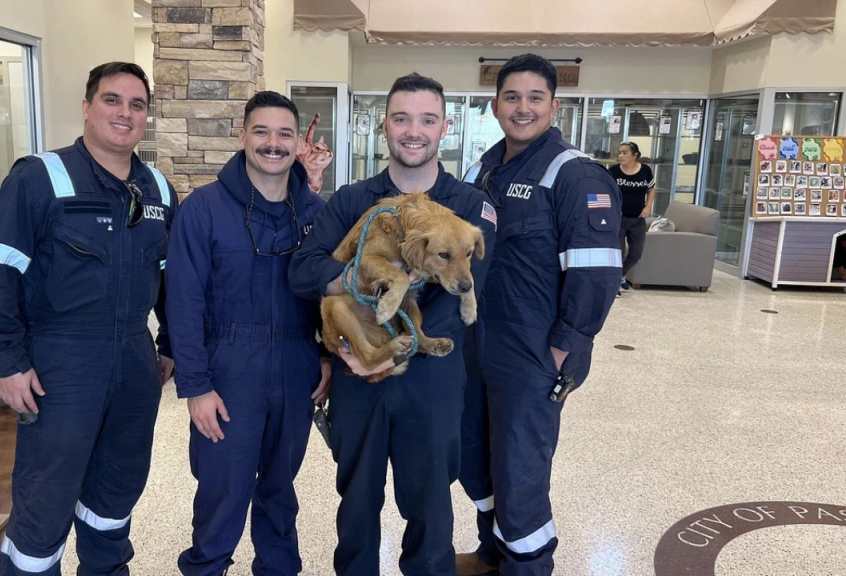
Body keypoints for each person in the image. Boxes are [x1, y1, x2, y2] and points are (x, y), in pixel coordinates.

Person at [0, 62, 177, 575]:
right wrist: (11, 362)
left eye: (137, 104)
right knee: (48, 491)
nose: (124, 113)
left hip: (133, 357)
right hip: (61, 362)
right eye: (112, 100)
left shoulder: (158, 190)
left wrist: (168, 343)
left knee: (118, 485)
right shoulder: (39, 179)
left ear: (146, 117)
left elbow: (172, 279)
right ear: (87, 107)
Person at [288, 73, 497, 576]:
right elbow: (303, 268)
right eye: (401, 118)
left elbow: (460, 294)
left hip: (431, 379)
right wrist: (352, 333)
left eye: (427, 120)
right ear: (384, 125)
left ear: (444, 127)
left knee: (429, 503)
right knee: (356, 502)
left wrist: (396, 345)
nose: (413, 131)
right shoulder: (353, 201)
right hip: (356, 376)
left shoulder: (468, 208)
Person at [457, 54, 622, 576]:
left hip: (533, 352)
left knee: (519, 469)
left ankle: (526, 567)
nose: (522, 107)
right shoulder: (486, 168)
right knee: (473, 454)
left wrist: (563, 348)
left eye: (534, 98)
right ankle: (493, 554)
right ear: (494, 104)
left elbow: (597, 273)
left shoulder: (574, 174)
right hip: (478, 342)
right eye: (511, 97)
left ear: (554, 105)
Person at [166, 91, 331, 576]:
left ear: (298, 143)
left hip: (297, 363)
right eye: (261, 131)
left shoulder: (317, 213)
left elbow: (333, 299)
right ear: (242, 136)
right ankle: (205, 567)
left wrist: (326, 358)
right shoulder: (203, 210)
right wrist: (196, 386)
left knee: (281, 486)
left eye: (284, 134)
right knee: (224, 487)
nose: (273, 144)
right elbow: (183, 301)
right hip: (229, 367)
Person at [608, 141, 656, 295]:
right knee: (618, 252)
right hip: (618, 219)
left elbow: (651, 189)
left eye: (624, 153)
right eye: (619, 152)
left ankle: (621, 275)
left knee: (636, 253)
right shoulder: (613, 171)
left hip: (637, 219)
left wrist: (648, 207)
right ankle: (614, 284)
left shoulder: (646, 170)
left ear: (635, 155)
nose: (620, 156)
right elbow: (607, 191)